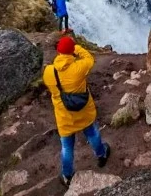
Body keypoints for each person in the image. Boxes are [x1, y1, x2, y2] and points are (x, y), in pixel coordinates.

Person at [43, 36, 111, 187]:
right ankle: (101, 154)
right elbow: (89, 58)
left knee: (67, 147)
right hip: (83, 112)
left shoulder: (48, 72)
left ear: (58, 52)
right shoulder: (79, 68)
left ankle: (67, 175)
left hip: (64, 117)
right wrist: (76, 48)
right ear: (71, 51)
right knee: (92, 134)